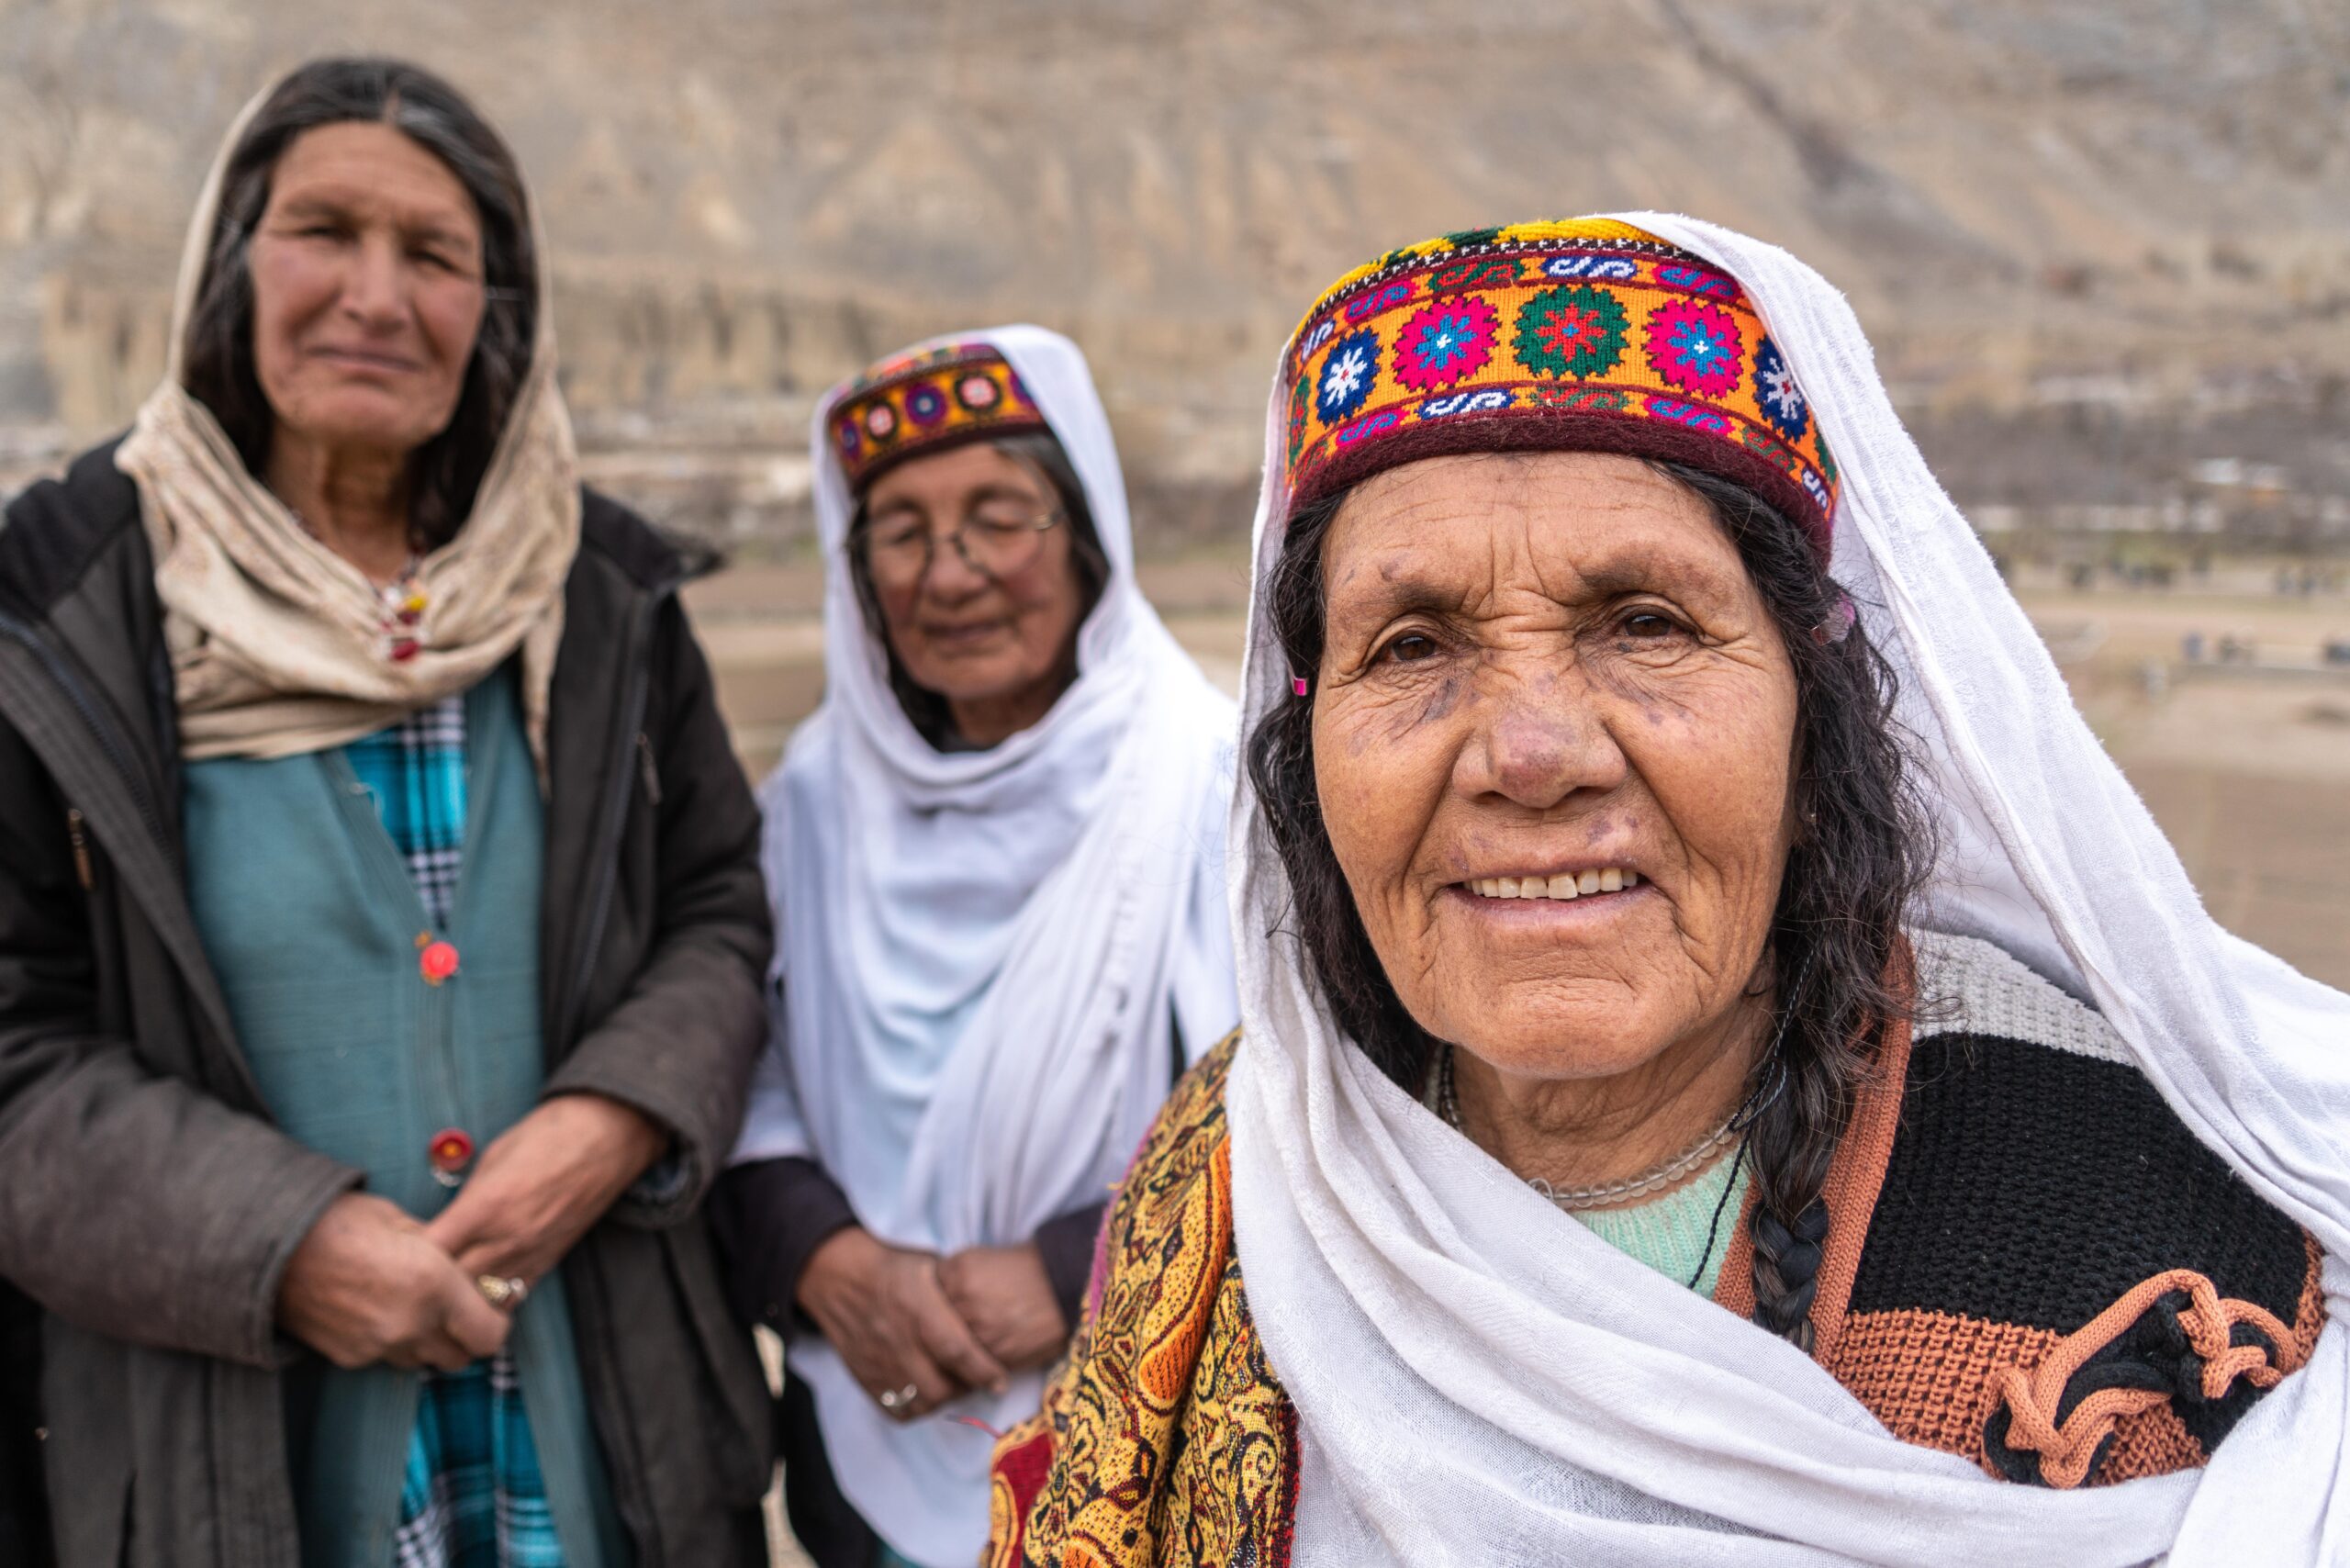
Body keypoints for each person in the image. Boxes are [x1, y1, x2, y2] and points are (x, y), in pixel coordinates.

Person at [989, 218, 2350, 1565]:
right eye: (1411, 647)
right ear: (1302, 753)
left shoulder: (2146, 1244)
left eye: (1645, 625)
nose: (1531, 757)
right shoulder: (1234, 1179)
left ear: (1818, 733)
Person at [0, 59, 773, 1567]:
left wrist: (619, 1114)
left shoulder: (595, 590)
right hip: (222, 1458)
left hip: (596, 1408)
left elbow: (718, 906)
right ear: (233, 266)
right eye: (323, 232)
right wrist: (278, 1243)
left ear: (500, 307)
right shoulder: (64, 600)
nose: (373, 293)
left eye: (433, 254)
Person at [723, 328, 1239, 1568]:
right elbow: (747, 1069)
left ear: (1086, 538)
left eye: (1000, 518)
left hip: (1140, 1434)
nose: (949, 576)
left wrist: (1074, 1271)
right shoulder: (811, 800)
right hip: (864, 1413)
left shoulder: (1207, 779)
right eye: (900, 533)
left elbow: (1292, 1103)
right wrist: (830, 1262)